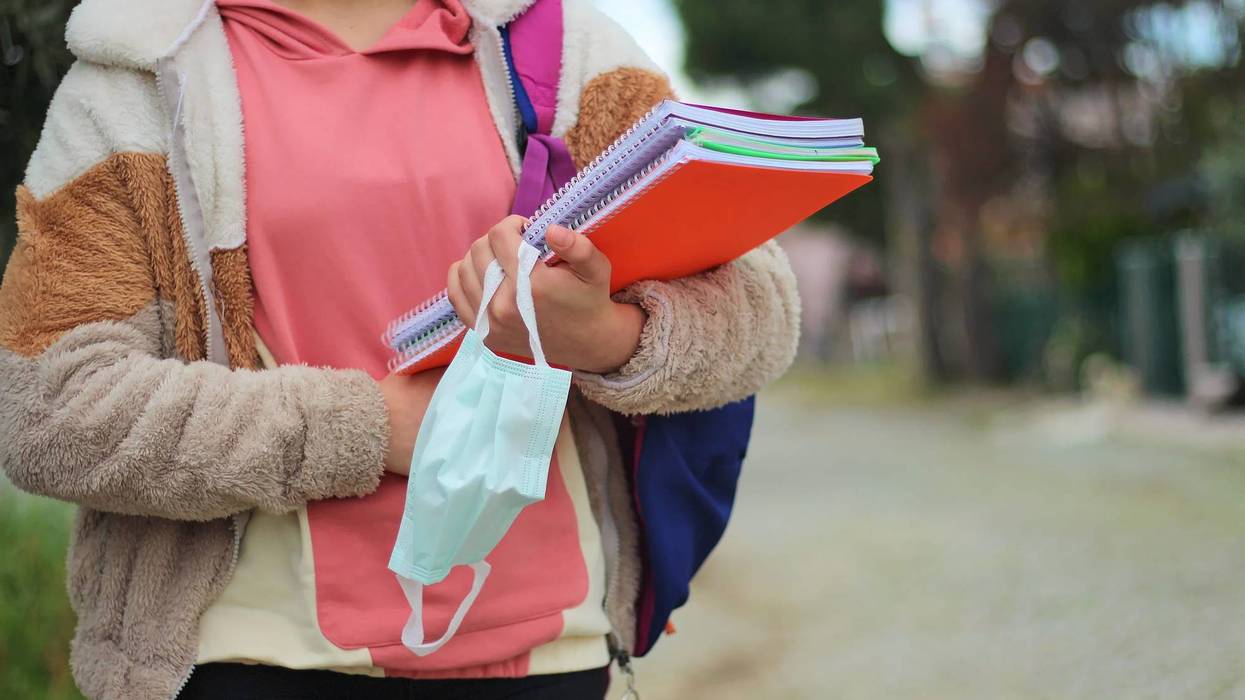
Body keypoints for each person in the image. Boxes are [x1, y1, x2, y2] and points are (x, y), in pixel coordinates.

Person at [0, 0, 800, 697]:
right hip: (249, 657)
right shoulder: (136, 70)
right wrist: (370, 427)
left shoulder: (561, 50)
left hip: (549, 652)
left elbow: (761, 315)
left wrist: (604, 338)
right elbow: (49, 407)